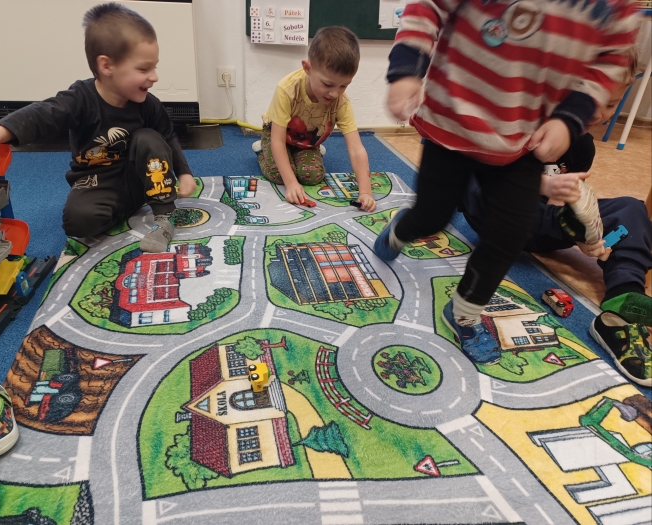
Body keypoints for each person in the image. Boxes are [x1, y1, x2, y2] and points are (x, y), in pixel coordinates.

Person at [374, 0, 640, 366]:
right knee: (432, 216)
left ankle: (464, 312)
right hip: (453, 122)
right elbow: (429, 5)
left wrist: (569, 117)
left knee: (508, 236)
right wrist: (407, 70)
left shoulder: (616, 7)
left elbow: (612, 58)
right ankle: (401, 230)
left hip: (522, 140)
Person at [460, 59, 652, 386]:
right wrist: (572, 224)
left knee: (631, 210)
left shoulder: (582, 144)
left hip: (543, 221)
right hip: (496, 220)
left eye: (611, 104)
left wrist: (580, 231)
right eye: (592, 102)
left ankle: (623, 298)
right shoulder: (515, 128)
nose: (602, 114)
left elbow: (558, 206)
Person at [0, 3, 196, 253]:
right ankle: (128, 204)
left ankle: (164, 215)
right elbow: (42, 114)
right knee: (78, 223)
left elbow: (168, 137)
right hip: (99, 179)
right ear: (107, 66)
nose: (154, 76)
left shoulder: (149, 105)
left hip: (142, 172)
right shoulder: (80, 99)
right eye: (144, 69)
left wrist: (184, 173)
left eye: (155, 67)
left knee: (149, 138)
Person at [254, 26, 376, 212]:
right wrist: (291, 183)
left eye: (344, 86)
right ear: (307, 68)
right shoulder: (287, 89)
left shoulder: (341, 102)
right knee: (279, 175)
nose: (335, 93)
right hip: (276, 137)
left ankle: (307, 153)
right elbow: (278, 141)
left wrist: (365, 192)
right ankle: (262, 150)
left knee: (312, 176)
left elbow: (356, 148)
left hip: (307, 142)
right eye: (328, 84)